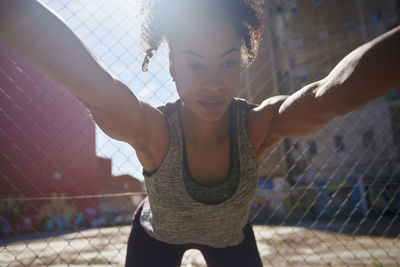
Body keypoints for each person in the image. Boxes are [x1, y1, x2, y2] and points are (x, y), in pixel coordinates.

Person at [1, 0, 399, 266]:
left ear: (241, 66)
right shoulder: (153, 131)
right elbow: (95, 87)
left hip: (231, 239)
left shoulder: (255, 126)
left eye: (227, 65)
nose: (213, 84)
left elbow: (328, 94)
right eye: (195, 64)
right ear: (172, 66)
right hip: (156, 238)